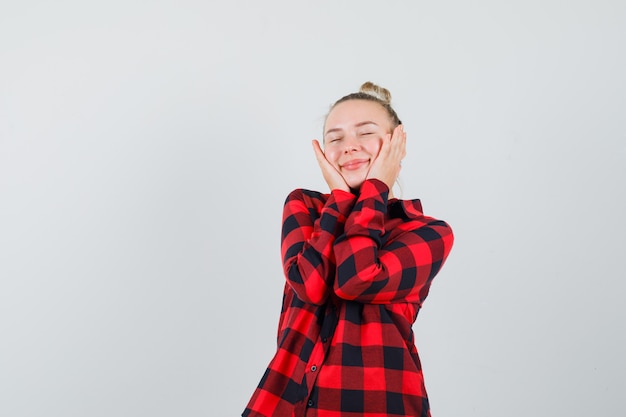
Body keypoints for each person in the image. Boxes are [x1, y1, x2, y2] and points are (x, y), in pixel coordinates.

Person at [242, 82, 454, 417]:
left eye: (365, 133)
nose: (349, 147)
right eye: (335, 138)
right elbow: (310, 286)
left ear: (398, 143)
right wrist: (340, 200)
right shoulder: (305, 207)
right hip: (284, 403)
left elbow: (355, 279)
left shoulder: (425, 231)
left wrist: (376, 189)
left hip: (379, 405)